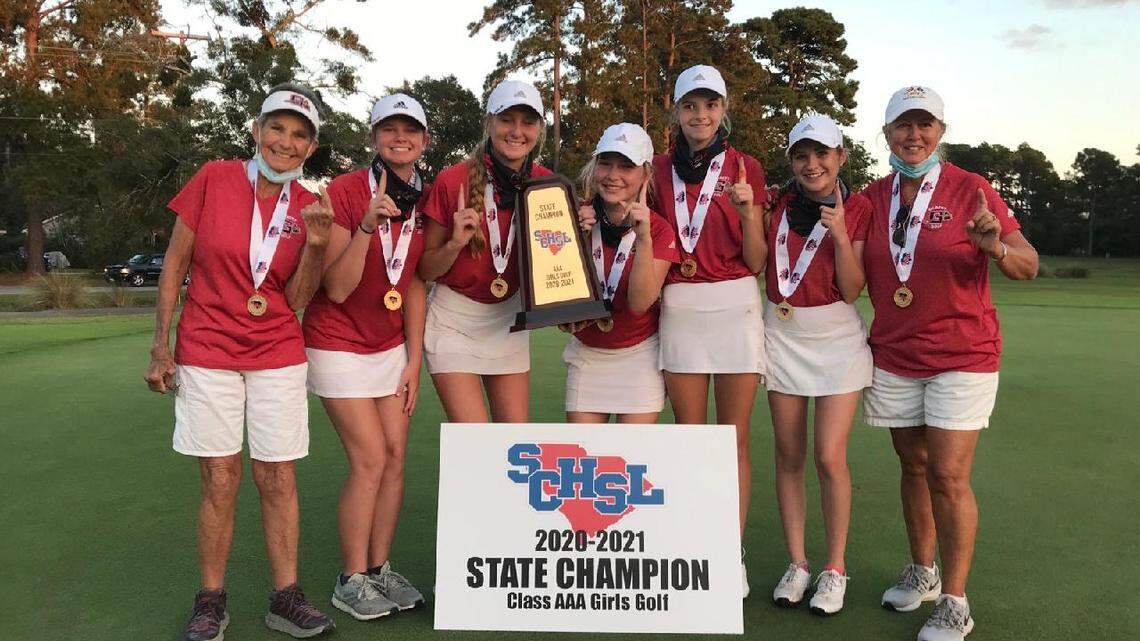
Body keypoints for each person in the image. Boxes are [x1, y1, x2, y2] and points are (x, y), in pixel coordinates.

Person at [144, 83, 336, 640]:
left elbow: (297, 300)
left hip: (276, 351)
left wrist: (319, 248)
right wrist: (161, 344)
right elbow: (175, 264)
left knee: (277, 475)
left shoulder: (307, 208)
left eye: (299, 134)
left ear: (310, 147)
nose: (285, 140)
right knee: (220, 477)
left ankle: (286, 596)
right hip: (206, 349)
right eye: (277, 127)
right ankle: (211, 599)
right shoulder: (213, 177)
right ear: (257, 131)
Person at [862, 86, 1038, 641]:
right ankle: (923, 571)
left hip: (963, 353)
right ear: (886, 133)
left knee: (948, 473)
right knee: (912, 465)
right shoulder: (872, 194)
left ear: (941, 131)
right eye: (902, 126)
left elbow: (1027, 265)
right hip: (894, 351)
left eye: (924, 125)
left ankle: (956, 601)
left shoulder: (972, 189)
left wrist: (996, 248)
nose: (914, 136)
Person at [301, 93, 430, 620]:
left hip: (390, 346)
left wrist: (414, 358)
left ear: (423, 140)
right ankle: (349, 578)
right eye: (389, 130)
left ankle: (380, 569)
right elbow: (334, 288)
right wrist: (366, 227)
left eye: (411, 131)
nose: (400, 139)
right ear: (374, 136)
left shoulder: (427, 195)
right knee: (370, 458)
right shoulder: (346, 190)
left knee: (396, 458)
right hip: (336, 341)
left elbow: (416, 280)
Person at [651, 64, 767, 597]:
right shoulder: (654, 169)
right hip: (679, 304)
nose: (701, 115)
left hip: (735, 304)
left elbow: (759, 259)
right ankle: (696, 541)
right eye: (691, 105)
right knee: (691, 436)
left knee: (732, 437)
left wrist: (747, 214)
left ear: (725, 110)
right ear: (676, 111)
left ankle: (730, 550)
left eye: (711, 105)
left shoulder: (747, 168)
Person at [762, 114, 873, 616]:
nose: (812, 164)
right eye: (802, 155)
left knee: (829, 457)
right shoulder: (776, 204)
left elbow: (853, 288)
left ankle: (834, 567)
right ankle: (798, 562)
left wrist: (842, 232)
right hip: (782, 335)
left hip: (835, 339)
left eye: (822, 154)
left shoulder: (860, 207)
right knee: (788, 455)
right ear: (792, 161)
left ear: (840, 157)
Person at [417, 79, 551, 422]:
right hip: (454, 323)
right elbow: (427, 270)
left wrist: (578, 227)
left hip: (509, 321)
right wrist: (455, 244)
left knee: (512, 444)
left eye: (528, 122)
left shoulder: (547, 185)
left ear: (539, 129)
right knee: (474, 442)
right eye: (507, 119)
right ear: (489, 122)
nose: (517, 131)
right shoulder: (452, 180)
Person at [566, 123, 679, 423]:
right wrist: (572, 239)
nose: (613, 175)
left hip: (639, 357)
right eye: (605, 163)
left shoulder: (658, 229)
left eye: (626, 166)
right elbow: (558, 298)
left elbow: (641, 302)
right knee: (585, 462)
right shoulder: (574, 218)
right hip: (587, 356)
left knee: (631, 462)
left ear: (645, 174)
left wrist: (643, 240)